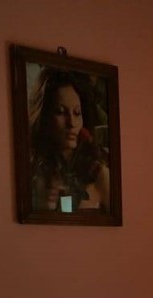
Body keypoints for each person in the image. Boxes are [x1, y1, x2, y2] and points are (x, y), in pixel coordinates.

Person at [28, 67, 110, 212]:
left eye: (77, 113)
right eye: (60, 112)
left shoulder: (97, 172)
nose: (71, 123)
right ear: (45, 117)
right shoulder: (33, 168)